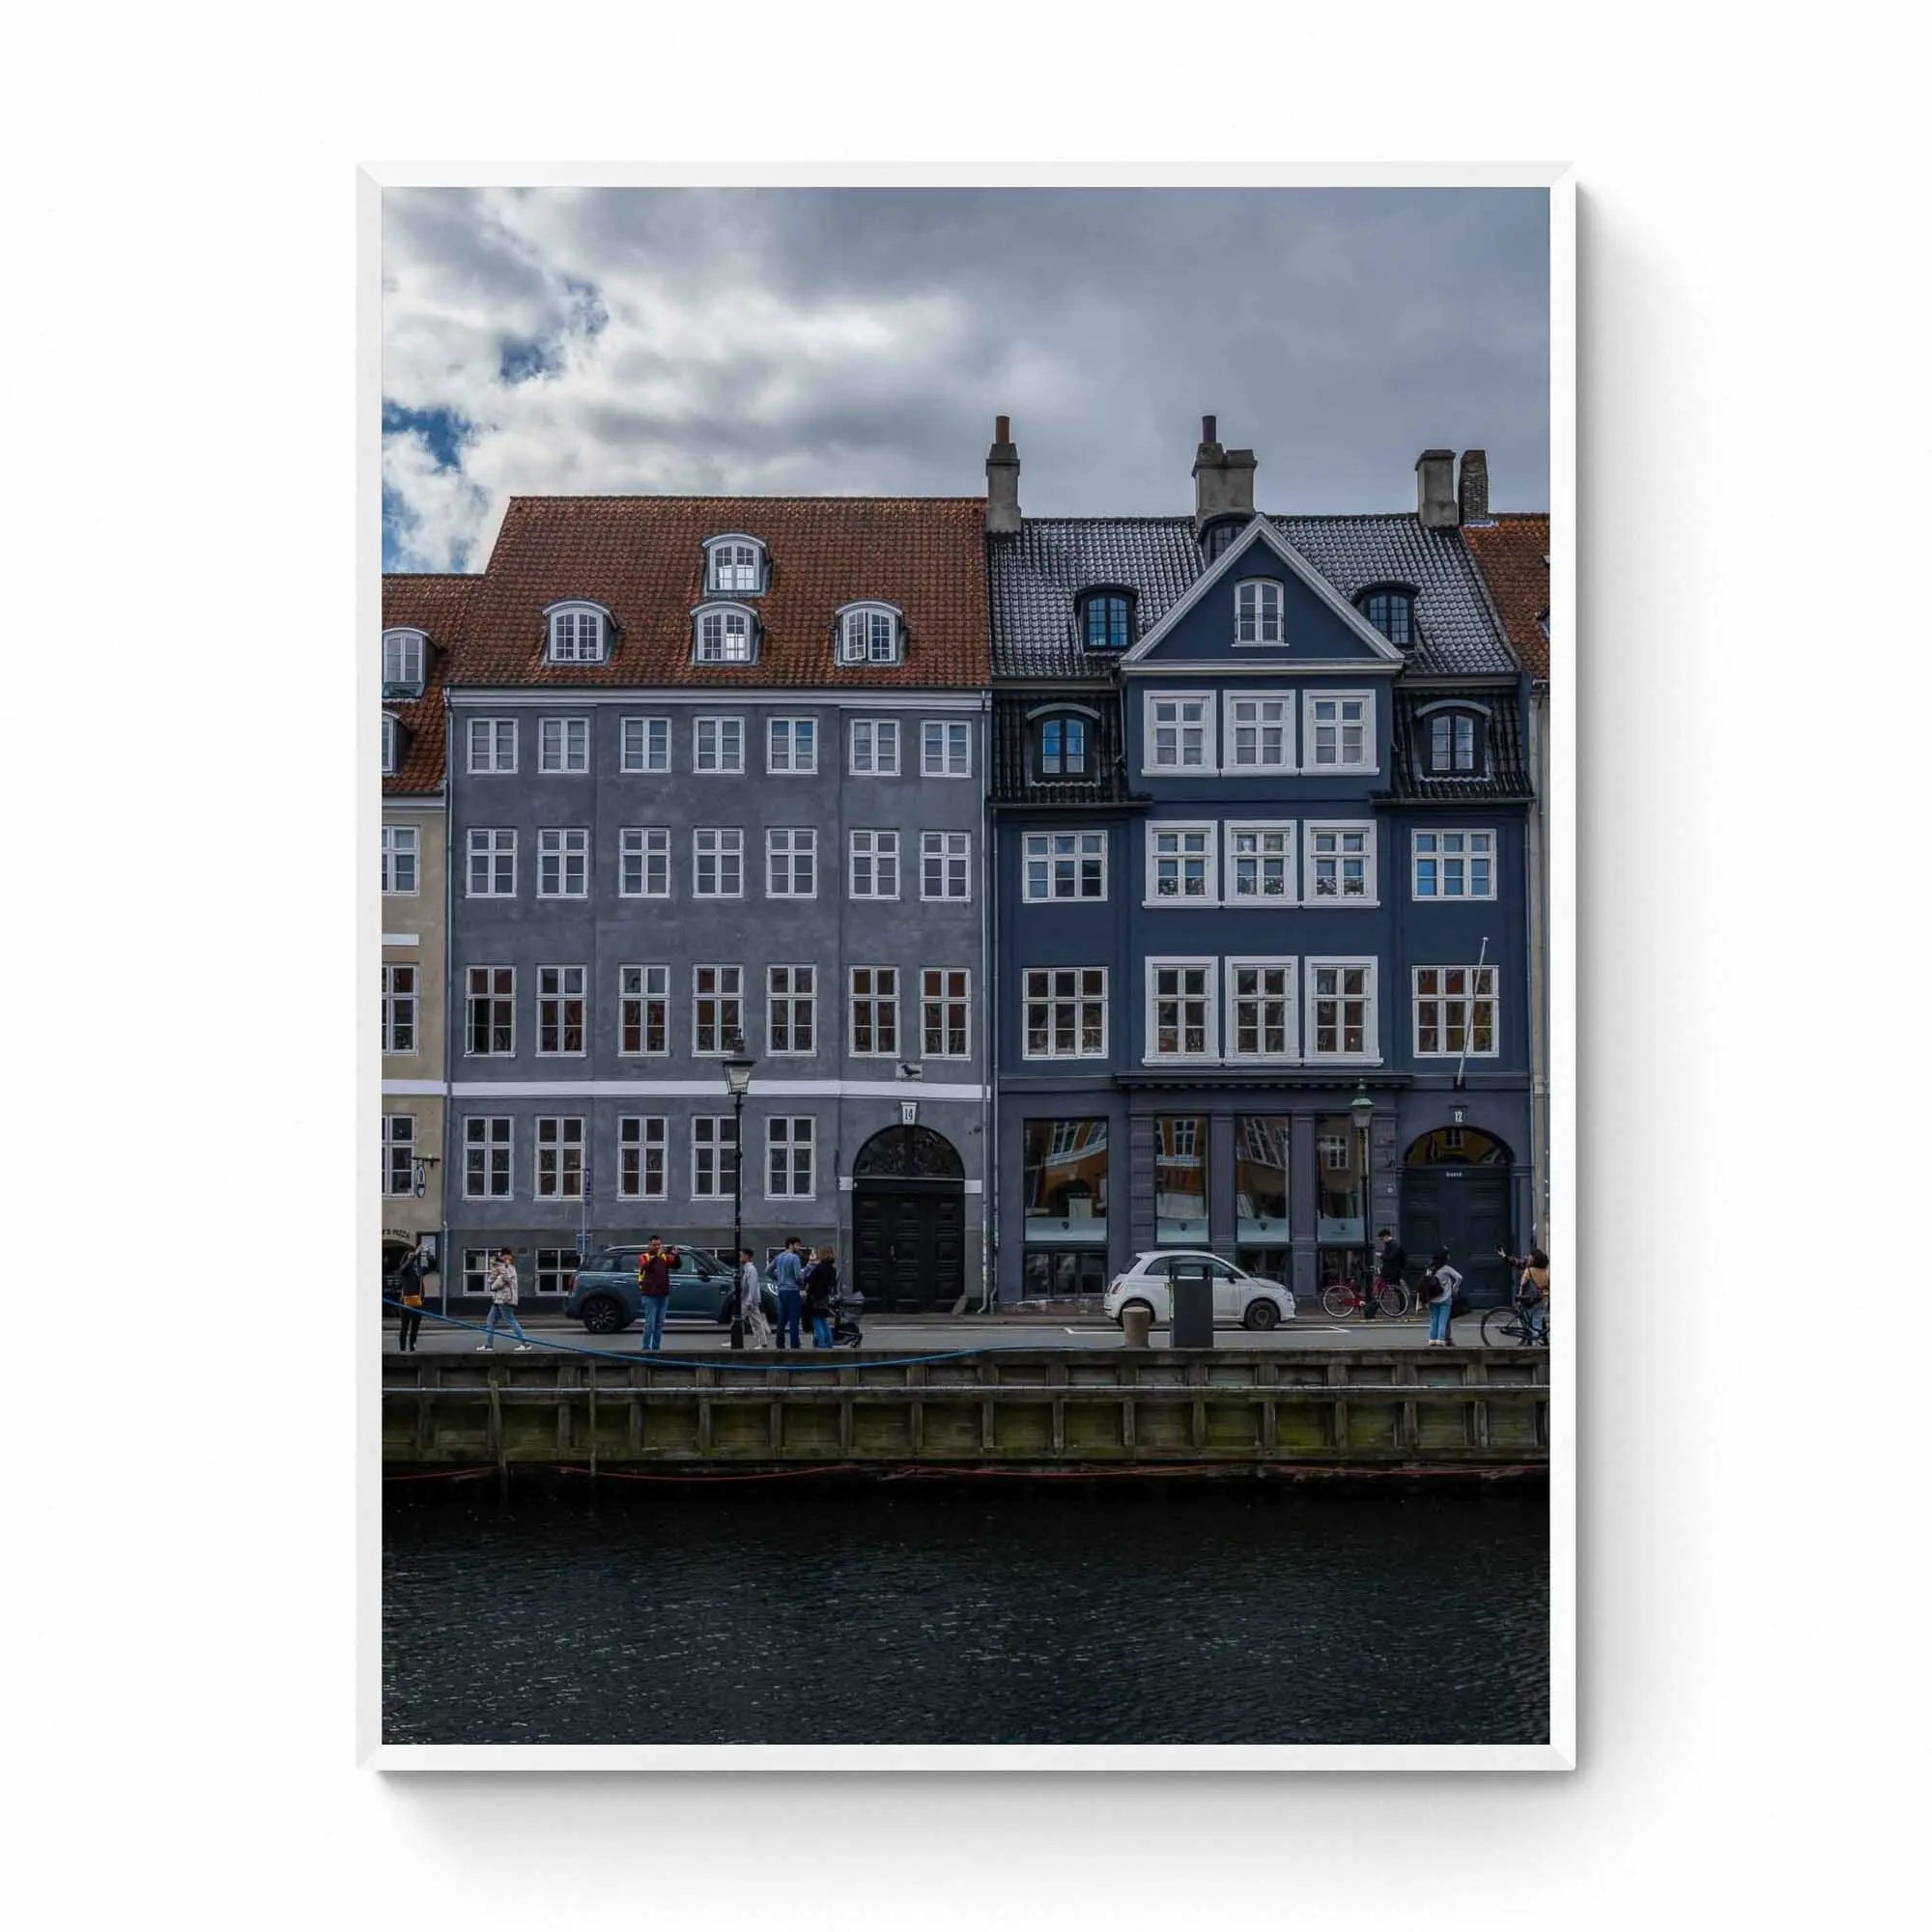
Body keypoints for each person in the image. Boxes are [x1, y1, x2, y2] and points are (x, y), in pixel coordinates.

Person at [478, 1249, 532, 1351]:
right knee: (491, 1321)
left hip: (505, 1299)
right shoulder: (503, 1267)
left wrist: (493, 1285)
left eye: (503, 1256)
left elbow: (504, 1280)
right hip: (498, 1299)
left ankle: (525, 1344)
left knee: (511, 1321)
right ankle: (488, 1345)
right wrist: (495, 1269)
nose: (504, 1258)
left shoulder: (509, 1268)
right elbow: (492, 1278)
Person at [636, 1237, 676, 1353]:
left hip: (663, 1294)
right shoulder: (645, 1257)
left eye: (659, 1245)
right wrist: (657, 1256)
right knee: (650, 1323)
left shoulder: (663, 1257)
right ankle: (646, 1349)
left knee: (659, 1324)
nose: (657, 1247)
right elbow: (646, 1266)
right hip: (650, 1295)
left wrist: (675, 1255)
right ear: (649, 1245)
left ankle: (656, 1349)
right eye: (654, 1245)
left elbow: (676, 1265)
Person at [770, 1236, 806, 1351]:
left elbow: (768, 1271)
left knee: (781, 1319)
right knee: (794, 1320)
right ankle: (795, 1345)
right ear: (791, 1244)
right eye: (798, 1245)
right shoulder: (794, 1258)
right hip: (792, 1291)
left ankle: (780, 1344)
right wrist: (802, 1282)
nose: (799, 1247)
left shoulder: (778, 1257)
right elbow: (798, 1276)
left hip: (781, 1290)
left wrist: (779, 1278)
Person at [1422, 1248, 1462, 1347]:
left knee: (1433, 1319)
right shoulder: (1446, 1268)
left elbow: (1425, 1282)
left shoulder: (1429, 1269)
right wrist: (1455, 1287)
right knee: (1442, 1320)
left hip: (1432, 1299)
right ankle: (1441, 1339)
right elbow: (1459, 1277)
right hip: (1445, 1298)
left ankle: (1432, 1339)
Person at [395, 1238, 429, 1352]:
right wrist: (413, 1254)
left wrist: (428, 1255)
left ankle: (412, 1348)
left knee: (415, 1328)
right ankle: (402, 1349)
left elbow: (432, 1266)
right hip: (405, 1302)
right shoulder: (404, 1270)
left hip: (417, 1302)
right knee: (404, 1327)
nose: (413, 1258)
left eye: (413, 1257)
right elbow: (405, 1267)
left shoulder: (418, 1270)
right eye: (409, 1256)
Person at [804, 1245, 839, 1350]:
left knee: (816, 1320)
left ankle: (822, 1342)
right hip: (825, 1298)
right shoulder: (832, 1269)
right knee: (823, 1320)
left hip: (815, 1298)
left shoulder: (819, 1268)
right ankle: (829, 1341)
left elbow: (810, 1280)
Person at [737, 1246, 772, 1350]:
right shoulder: (748, 1269)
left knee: (742, 1320)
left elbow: (752, 1286)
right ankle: (762, 1341)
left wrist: (749, 1301)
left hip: (749, 1300)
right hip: (748, 1300)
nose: (740, 1257)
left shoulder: (751, 1270)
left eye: (741, 1255)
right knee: (754, 1321)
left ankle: (761, 1342)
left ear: (747, 1256)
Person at [1371, 1226, 1406, 1321]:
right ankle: (1374, 1309)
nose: (1382, 1240)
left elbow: (1391, 1257)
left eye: (1382, 1238)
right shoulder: (1390, 1244)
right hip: (1389, 1271)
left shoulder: (1394, 1245)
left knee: (1396, 1290)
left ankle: (1403, 1308)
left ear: (1386, 1236)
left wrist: (1381, 1255)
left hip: (1393, 1272)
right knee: (1383, 1289)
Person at [1517, 1248, 1550, 1342]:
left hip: (1530, 1299)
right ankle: (1537, 1344)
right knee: (1537, 1322)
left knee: (1524, 1319)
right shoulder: (1547, 1269)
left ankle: (1523, 1339)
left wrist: (1520, 1297)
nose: (1529, 1258)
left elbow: (1523, 1284)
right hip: (1543, 1299)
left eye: (1530, 1256)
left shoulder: (1529, 1270)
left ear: (1534, 1259)